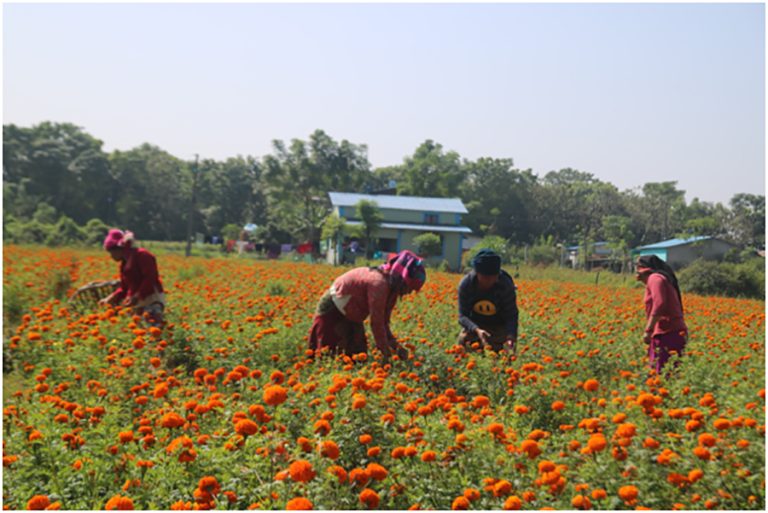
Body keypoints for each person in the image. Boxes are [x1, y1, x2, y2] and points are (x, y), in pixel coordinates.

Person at [308, 250, 426, 362]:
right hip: (333, 310)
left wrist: (396, 348)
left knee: (357, 356)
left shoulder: (392, 289)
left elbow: (384, 323)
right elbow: (377, 323)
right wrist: (386, 355)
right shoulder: (379, 284)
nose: (409, 292)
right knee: (327, 354)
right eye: (410, 288)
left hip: (353, 314)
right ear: (402, 280)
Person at [99, 229, 166, 326]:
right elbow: (124, 288)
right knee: (138, 330)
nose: (111, 256)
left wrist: (136, 296)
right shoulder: (124, 263)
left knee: (152, 330)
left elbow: (150, 279)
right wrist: (109, 298)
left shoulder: (143, 255)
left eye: (112, 252)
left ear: (120, 248)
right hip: (137, 300)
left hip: (150, 299)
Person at [458, 249, 519, 353]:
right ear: (477, 273)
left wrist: (510, 336)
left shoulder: (505, 284)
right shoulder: (466, 284)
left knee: (506, 354)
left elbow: (511, 314)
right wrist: (477, 330)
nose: (489, 281)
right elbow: (463, 316)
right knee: (463, 343)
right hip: (475, 325)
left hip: (499, 326)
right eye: (485, 277)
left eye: (493, 277)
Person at [635, 255, 687, 373]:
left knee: (662, 373)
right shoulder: (659, 279)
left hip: (668, 332)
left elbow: (659, 304)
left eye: (638, 268)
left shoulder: (655, 278)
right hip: (668, 332)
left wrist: (648, 330)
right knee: (665, 371)